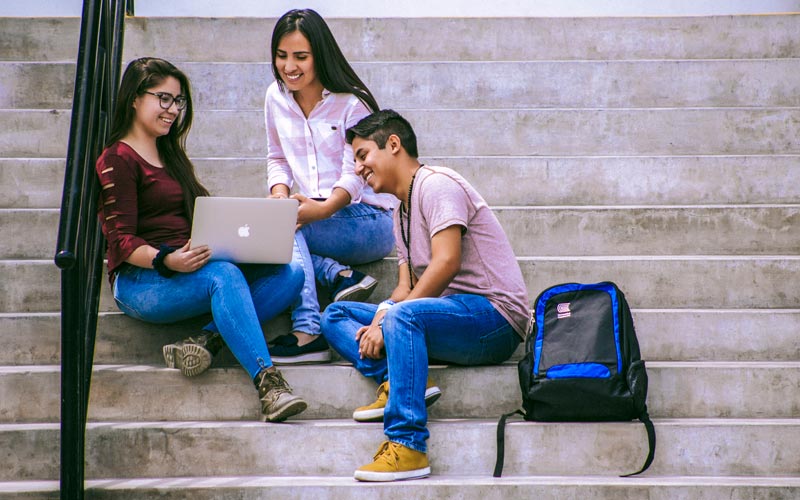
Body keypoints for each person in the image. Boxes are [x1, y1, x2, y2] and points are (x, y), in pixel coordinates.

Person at [321, 110, 531, 481]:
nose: (358, 168)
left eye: (363, 155)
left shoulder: (437, 185)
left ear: (393, 144)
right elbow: (404, 288)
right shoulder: (399, 212)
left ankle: (408, 446)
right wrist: (382, 314)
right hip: (444, 315)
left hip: (493, 318)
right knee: (335, 316)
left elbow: (446, 262)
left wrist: (389, 317)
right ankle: (395, 379)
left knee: (401, 316)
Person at [96, 57, 307, 422]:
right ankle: (269, 385)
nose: (172, 109)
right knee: (224, 276)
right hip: (141, 281)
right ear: (134, 98)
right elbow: (121, 241)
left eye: (178, 101)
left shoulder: (170, 154)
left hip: (189, 267)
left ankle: (206, 340)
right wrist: (167, 259)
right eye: (163, 98)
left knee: (290, 273)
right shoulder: (117, 159)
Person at [264, 9, 396, 365]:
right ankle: (337, 274)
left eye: (300, 57)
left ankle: (308, 329)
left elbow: (358, 172)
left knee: (287, 226)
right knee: (273, 223)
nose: (289, 66)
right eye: (281, 55)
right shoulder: (275, 97)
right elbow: (277, 157)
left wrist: (323, 209)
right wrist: (280, 196)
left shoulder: (351, 103)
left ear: (319, 55)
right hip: (314, 217)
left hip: (369, 219)